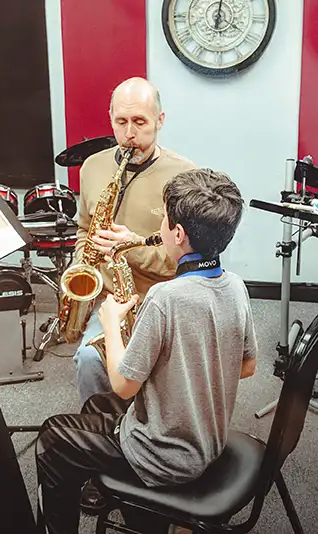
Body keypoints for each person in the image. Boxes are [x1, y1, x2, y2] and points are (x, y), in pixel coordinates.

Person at [35, 168, 258, 534]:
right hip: (207, 441)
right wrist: (185, 375)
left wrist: (110, 322)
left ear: (178, 234)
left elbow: (123, 386)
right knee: (95, 406)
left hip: (164, 457)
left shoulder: (164, 297)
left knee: (52, 435)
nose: (161, 226)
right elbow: (248, 366)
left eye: (164, 219)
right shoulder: (235, 286)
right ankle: (142, 515)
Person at [73, 77, 195, 405]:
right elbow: (85, 228)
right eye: (120, 122)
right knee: (87, 361)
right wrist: (77, 268)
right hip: (112, 302)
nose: (129, 134)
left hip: (162, 302)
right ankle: (99, 435)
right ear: (110, 117)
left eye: (140, 122)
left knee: (161, 384)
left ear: (160, 120)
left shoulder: (184, 177)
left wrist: (132, 248)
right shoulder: (92, 167)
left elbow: (187, 260)